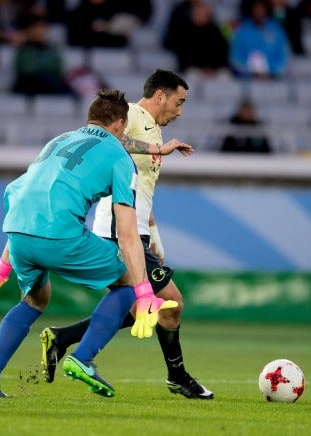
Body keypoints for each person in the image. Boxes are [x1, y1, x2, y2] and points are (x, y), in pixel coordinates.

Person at [0, 89, 179, 399]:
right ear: (120, 124)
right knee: (130, 276)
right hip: (60, 235)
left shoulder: (57, 142)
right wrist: (144, 291)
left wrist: (0, 270)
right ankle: (83, 357)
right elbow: (128, 235)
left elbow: (26, 202)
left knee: (37, 298)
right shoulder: (120, 157)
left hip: (17, 233)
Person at [37, 70, 214, 400]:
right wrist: (155, 149)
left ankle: (62, 339)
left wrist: (154, 233)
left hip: (137, 230)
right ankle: (177, 376)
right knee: (171, 304)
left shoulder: (155, 132)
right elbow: (105, 139)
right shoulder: (130, 114)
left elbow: (139, 191)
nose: (181, 111)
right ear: (159, 95)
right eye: (179, 102)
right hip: (117, 230)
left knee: (135, 307)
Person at [12, 15, 74, 96]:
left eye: (42, 27)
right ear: (29, 30)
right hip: (29, 86)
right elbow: (27, 70)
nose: (40, 31)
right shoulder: (24, 50)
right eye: (36, 28)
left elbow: (57, 68)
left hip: (49, 84)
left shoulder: (52, 49)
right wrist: (45, 69)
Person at [229, 0, 291, 79]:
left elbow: (284, 58)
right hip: (246, 79)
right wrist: (252, 72)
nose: (259, 12)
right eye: (256, 8)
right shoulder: (241, 30)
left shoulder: (277, 30)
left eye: (261, 8)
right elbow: (235, 58)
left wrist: (270, 72)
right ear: (252, 10)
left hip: (273, 79)